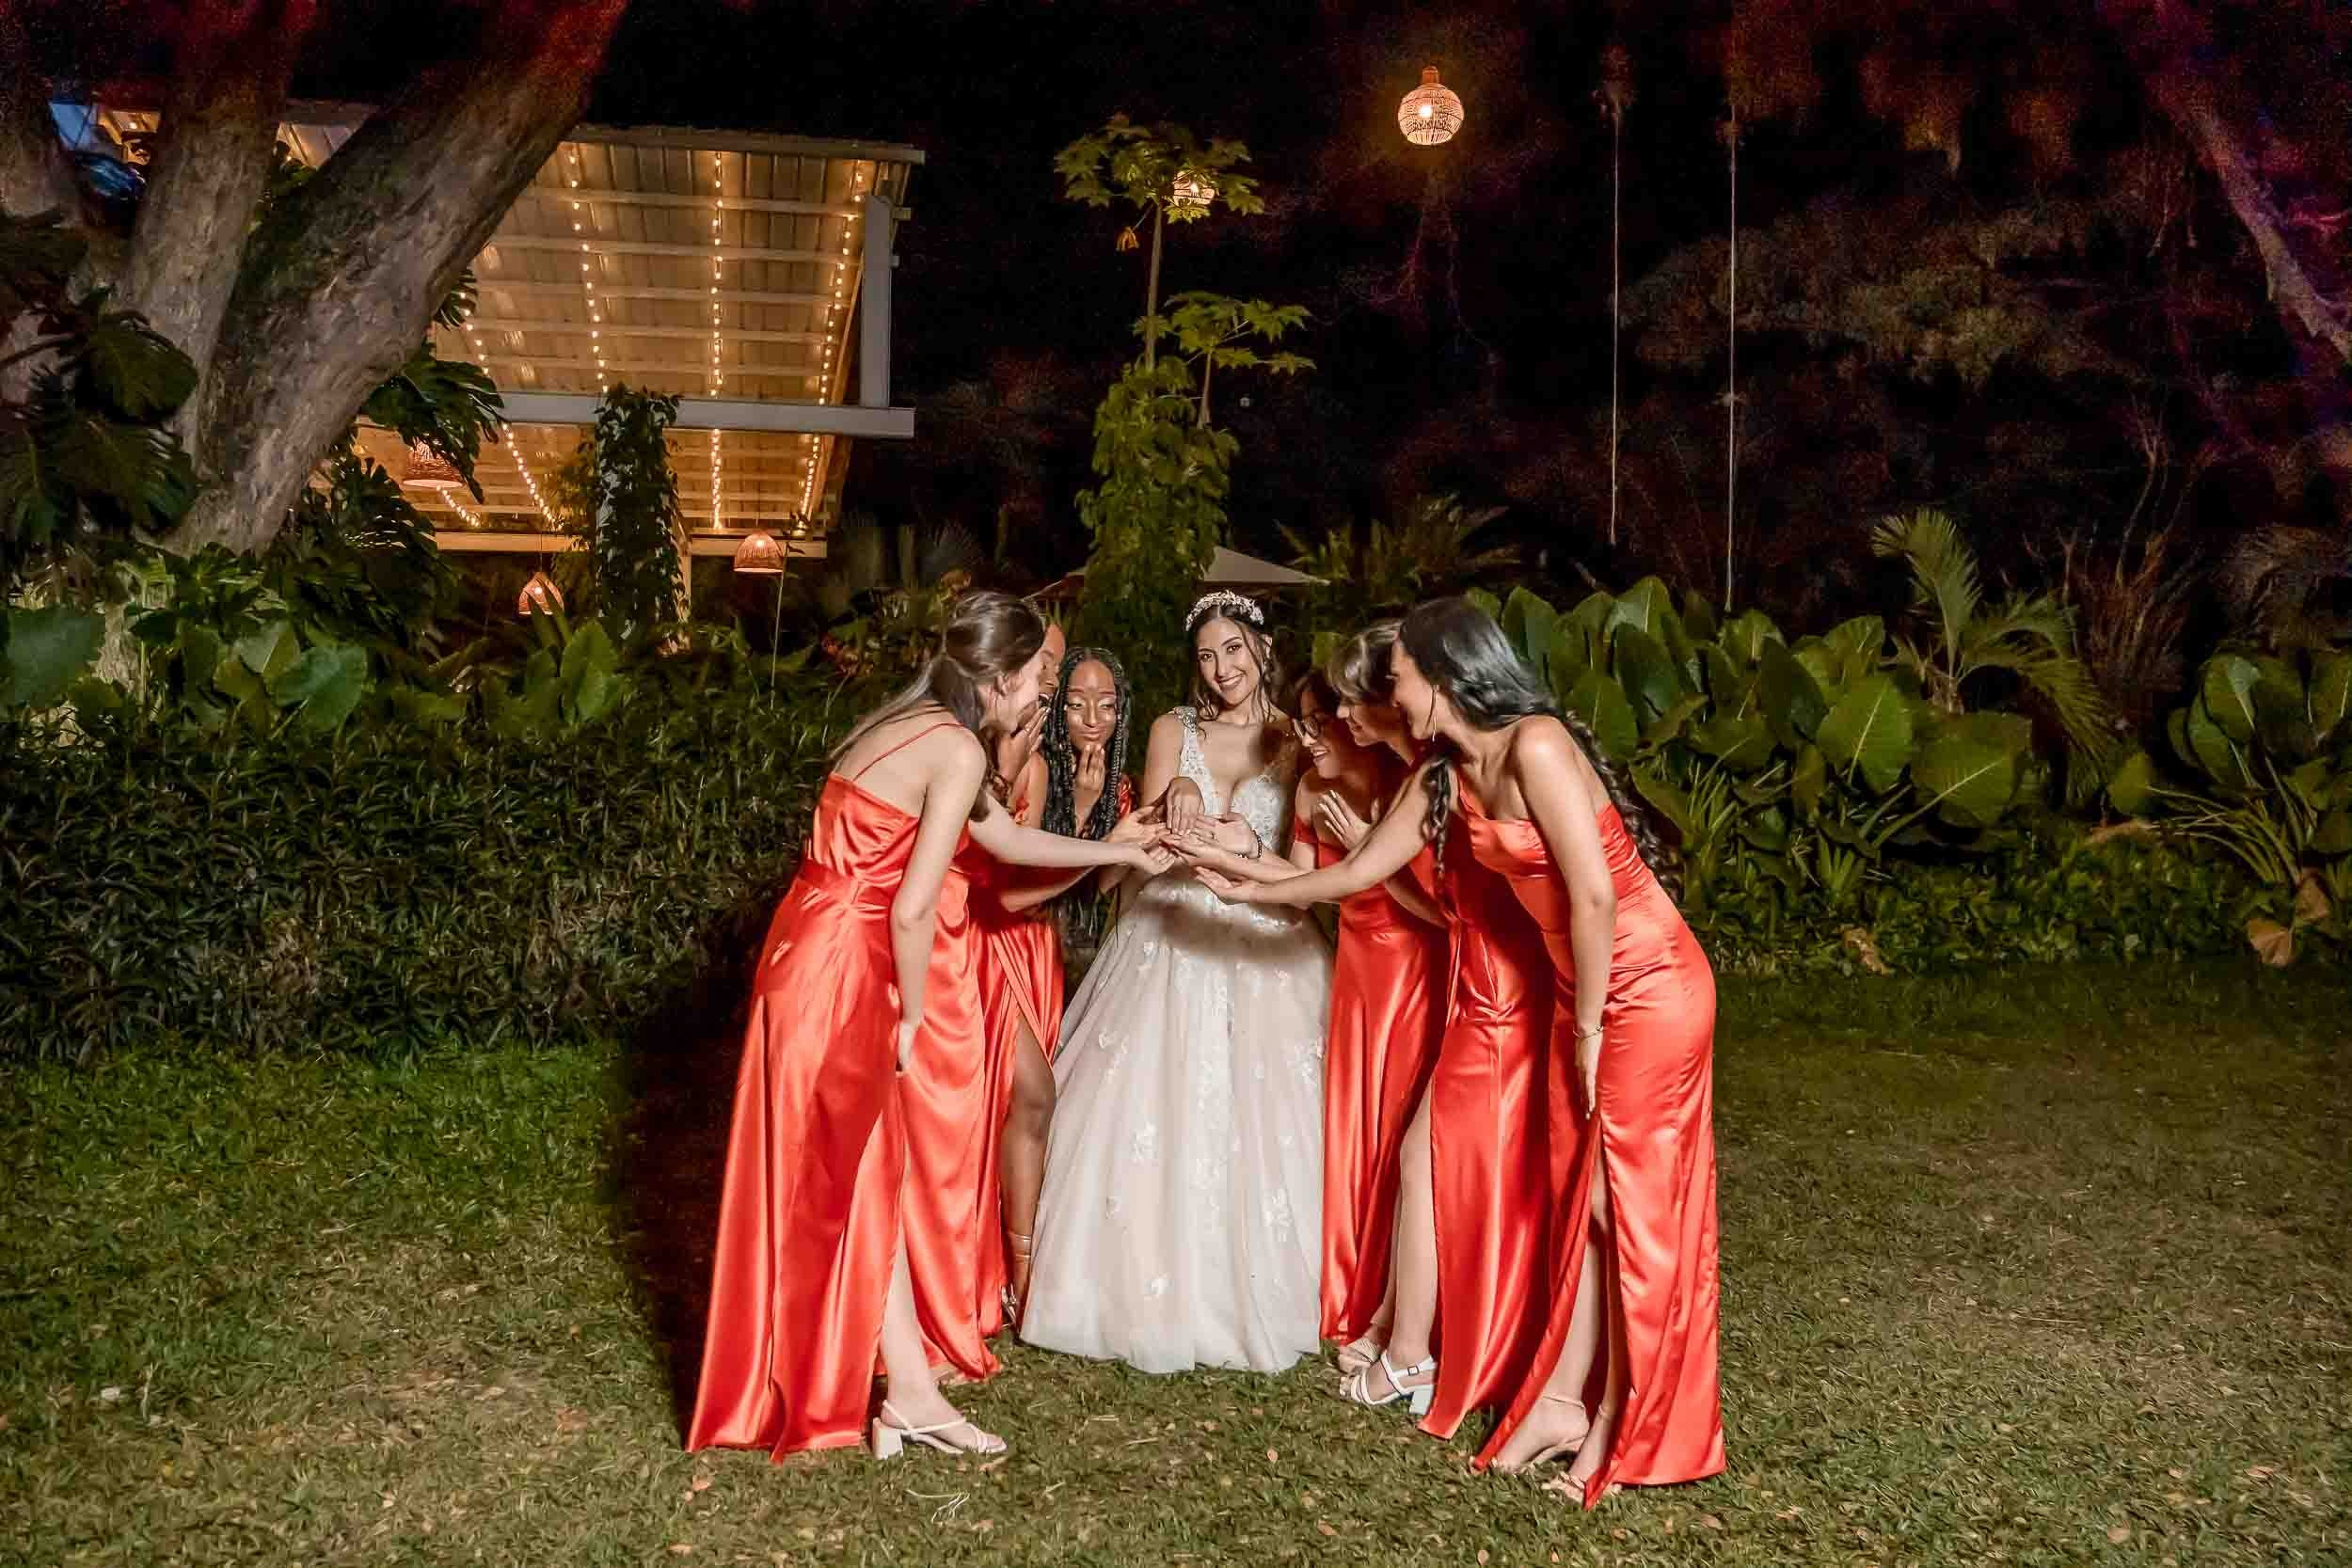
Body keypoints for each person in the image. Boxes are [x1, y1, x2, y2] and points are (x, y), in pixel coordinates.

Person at [1196, 597, 1724, 1504]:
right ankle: (1562, 1402)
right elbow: (1352, 873)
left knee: (1621, 1204)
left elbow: (1595, 895)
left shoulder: (1536, 745)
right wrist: (1241, 879)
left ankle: (1617, 1423)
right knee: (1586, 1204)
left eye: (1400, 674)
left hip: (1645, 986)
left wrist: (1588, 1029)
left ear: (1444, 674)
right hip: (1584, 994)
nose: (1391, 693)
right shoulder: (1448, 772)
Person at [688, 592, 1172, 1462]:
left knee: (865, 1169)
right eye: (1038, 681)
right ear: (1003, 676)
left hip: (810, 942)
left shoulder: (910, 723)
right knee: (855, 1168)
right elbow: (914, 908)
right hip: (845, 965)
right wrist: (909, 1014)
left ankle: (908, 1391)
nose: (1041, 698)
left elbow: (1007, 844)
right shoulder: (956, 747)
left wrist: (1118, 847)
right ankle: (864, 1388)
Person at [1019, 591, 1332, 1373]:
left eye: (1233, 649)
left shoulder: (1297, 741)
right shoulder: (1172, 729)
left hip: (1262, 931)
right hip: (1170, 928)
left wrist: (1246, 846)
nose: (1221, 669)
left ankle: (1258, 1286)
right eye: (1206, 656)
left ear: (1262, 647)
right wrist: (1175, 797)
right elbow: (1149, 840)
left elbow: (1298, 868)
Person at [1184, 663, 1449, 1366]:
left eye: (1318, 722)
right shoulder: (1309, 788)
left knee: (1401, 1134)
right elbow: (1306, 889)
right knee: (1356, 1132)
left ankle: (1401, 1306)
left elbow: (1430, 907)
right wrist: (1240, 861)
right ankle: (1358, 1292)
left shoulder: (1402, 785)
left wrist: (1363, 843)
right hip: (1358, 971)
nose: (1307, 737)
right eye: (1301, 724)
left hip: (1411, 972)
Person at [977, 642, 1136, 1323]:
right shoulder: (1030, 760)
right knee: (1030, 1094)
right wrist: (1105, 839)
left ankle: (1016, 1263)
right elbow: (1022, 885)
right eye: (1073, 701)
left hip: (1038, 949)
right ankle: (1020, 1273)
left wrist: (1110, 819)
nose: (1090, 718)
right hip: (993, 939)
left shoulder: (1113, 781)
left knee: (1024, 1105)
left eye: (1106, 704)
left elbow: (1090, 891)